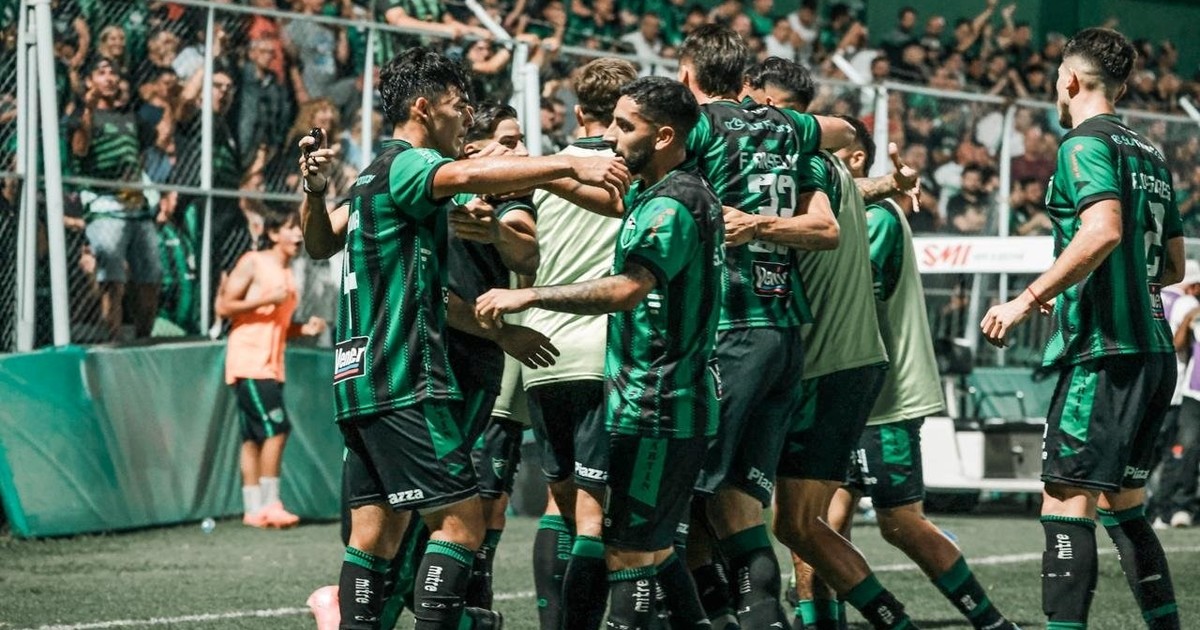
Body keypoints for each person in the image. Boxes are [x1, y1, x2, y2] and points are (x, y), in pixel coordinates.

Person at [298, 47, 628, 630]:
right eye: (457, 106)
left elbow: (321, 243)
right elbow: (467, 174)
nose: (463, 118)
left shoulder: (372, 174)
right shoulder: (411, 163)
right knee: (461, 524)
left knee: (375, 535)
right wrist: (567, 164)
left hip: (358, 381)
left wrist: (315, 191)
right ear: (424, 108)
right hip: (405, 378)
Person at [474, 74, 722, 630]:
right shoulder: (652, 192)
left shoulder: (673, 204)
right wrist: (541, 168)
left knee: (630, 552)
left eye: (624, 126)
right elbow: (597, 196)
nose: (609, 137)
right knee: (640, 545)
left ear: (663, 137)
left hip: (664, 403)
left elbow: (627, 289)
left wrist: (531, 293)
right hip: (641, 398)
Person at [980, 28, 1184, 630]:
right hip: (1152, 351)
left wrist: (1029, 297)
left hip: (1104, 352)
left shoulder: (1082, 143)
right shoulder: (1150, 152)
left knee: (1065, 499)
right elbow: (1172, 265)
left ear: (1069, 79)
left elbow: (1103, 231)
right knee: (1126, 507)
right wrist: (1078, 284)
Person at [794, 118, 1019, 630]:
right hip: (838, 389)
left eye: (825, 155)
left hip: (884, 397)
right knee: (812, 526)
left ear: (855, 160)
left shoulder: (876, 217)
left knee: (898, 522)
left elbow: (850, 292)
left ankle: (992, 624)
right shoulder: (836, 209)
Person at [674, 26, 854, 630]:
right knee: (737, 502)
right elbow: (843, 131)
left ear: (687, 77)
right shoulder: (785, 129)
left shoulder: (700, 127)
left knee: (680, 493)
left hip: (731, 327)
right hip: (783, 333)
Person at [739, 56, 916, 627]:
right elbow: (847, 188)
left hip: (824, 362)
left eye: (773, 112)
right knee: (798, 525)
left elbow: (822, 222)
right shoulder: (816, 163)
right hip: (836, 362)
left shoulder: (799, 159)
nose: (763, 121)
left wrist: (753, 225)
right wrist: (890, 183)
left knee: (790, 522)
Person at [518, 57, 637, 630]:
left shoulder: (542, 169)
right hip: (602, 352)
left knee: (558, 504)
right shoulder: (631, 172)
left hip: (540, 353)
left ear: (576, 109)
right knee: (598, 518)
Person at [216, 206, 327, 529]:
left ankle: (253, 510)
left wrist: (302, 329)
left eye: (299, 229)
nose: (298, 235)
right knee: (278, 430)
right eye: (291, 228)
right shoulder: (254, 262)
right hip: (249, 361)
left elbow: (276, 322)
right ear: (274, 234)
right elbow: (223, 306)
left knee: (253, 436)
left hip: (271, 363)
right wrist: (265, 299)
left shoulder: (288, 272)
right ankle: (270, 504)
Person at [69, 56, 161, 341]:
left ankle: (144, 340)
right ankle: (114, 340)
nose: (109, 78)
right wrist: (88, 108)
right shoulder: (82, 116)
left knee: (151, 277)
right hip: (105, 206)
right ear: (89, 81)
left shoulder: (131, 117)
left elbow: (145, 150)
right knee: (112, 278)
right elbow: (80, 149)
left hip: (137, 206)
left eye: (113, 73)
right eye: (101, 72)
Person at [1151, 261, 1200, 529]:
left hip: (1151, 387)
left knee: (1158, 452)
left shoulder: (1150, 297)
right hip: (1178, 388)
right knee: (1174, 453)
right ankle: (1168, 508)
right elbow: (1177, 345)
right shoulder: (1187, 304)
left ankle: (1154, 508)